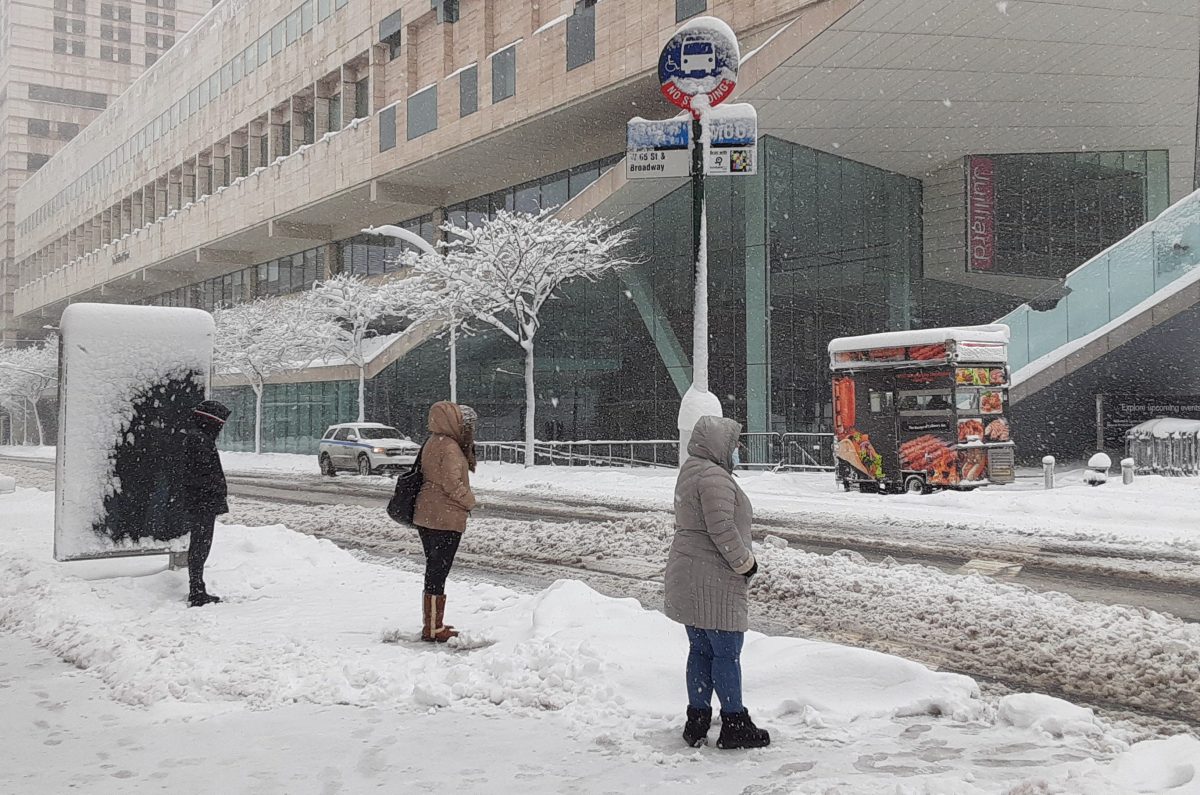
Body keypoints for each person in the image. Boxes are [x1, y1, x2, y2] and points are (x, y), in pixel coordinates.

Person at [664, 415, 771, 749]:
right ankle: (735, 723)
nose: (737, 449)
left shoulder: (692, 470)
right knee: (726, 653)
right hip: (714, 578)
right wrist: (746, 563)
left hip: (688, 571)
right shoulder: (715, 477)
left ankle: (697, 720)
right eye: (734, 443)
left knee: (700, 649)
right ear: (719, 444)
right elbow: (722, 528)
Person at [412, 401, 477, 642]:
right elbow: (452, 484)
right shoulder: (449, 447)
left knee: (433, 569)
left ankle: (432, 623)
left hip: (427, 514)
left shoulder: (432, 442)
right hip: (445, 516)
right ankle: (433, 627)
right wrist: (470, 501)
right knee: (439, 570)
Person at [179, 398, 231, 608]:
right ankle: (197, 590)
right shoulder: (199, 441)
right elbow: (202, 475)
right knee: (201, 545)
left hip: (200, 501)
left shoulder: (197, 438)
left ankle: (197, 588)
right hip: (202, 503)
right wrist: (214, 492)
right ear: (212, 422)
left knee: (200, 545)